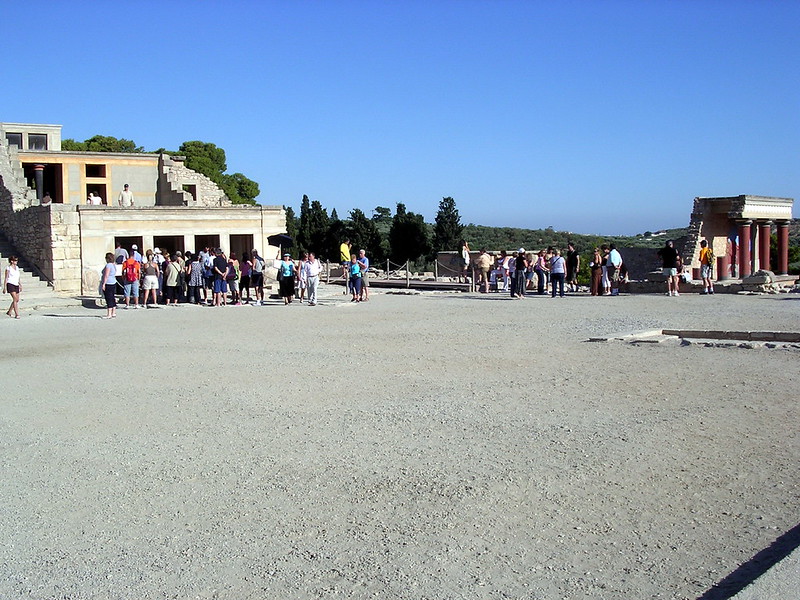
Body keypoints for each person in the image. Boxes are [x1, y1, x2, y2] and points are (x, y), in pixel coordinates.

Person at [101, 252, 118, 319]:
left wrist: (104, 284)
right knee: (112, 297)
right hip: (113, 282)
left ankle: (109, 314)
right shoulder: (113, 264)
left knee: (108, 298)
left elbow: (106, 275)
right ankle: (113, 312)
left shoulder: (108, 265)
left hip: (108, 283)